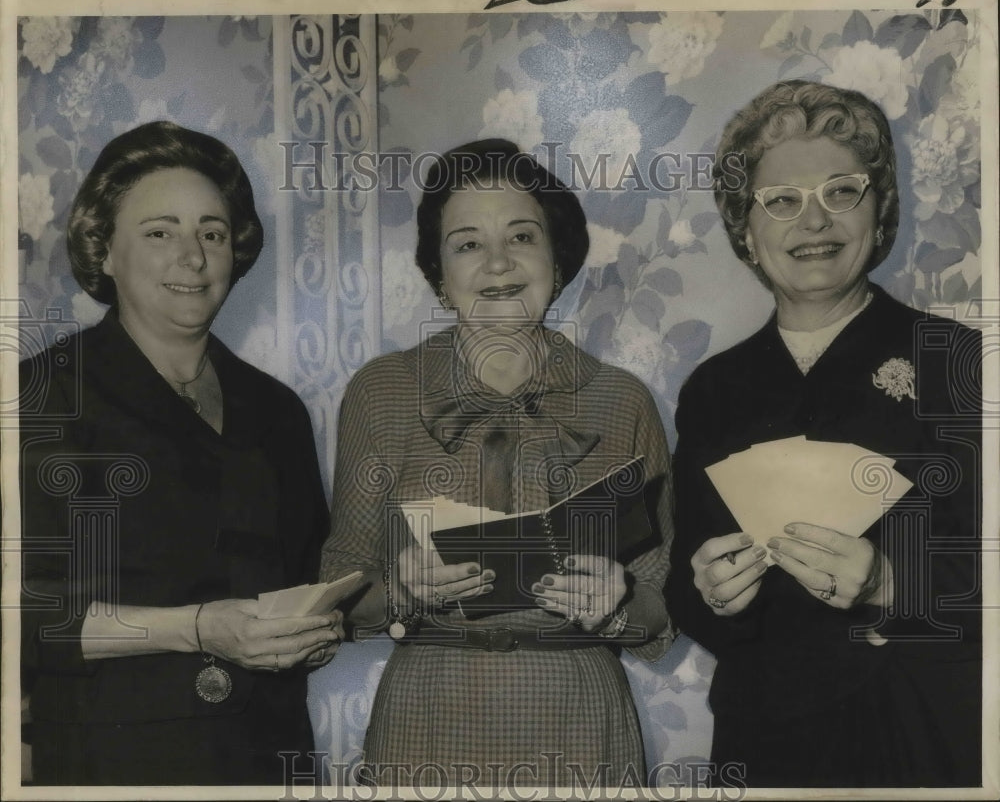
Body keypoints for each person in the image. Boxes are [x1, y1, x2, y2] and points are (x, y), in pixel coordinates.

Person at [320, 139, 675, 788]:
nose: (499, 263)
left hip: (579, 725)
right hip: (426, 722)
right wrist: (400, 590)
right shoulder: (382, 393)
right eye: (467, 244)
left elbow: (660, 605)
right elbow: (339, 594)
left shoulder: (622, 401)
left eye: (522, 236)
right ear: (439, 273)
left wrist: (618, 603)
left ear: (557, 258)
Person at [665, 81, 982, 787]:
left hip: (925, 731)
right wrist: (713, 595)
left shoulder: (958, 361)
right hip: (767, 738)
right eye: (782, 200)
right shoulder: (713, 391)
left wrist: (892, 581)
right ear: (746, 229)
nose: (815, 221)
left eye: (842, 191)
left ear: (880, 208)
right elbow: (684, 590)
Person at [20, 122, 339, 785]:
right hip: (112, 761)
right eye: (160, 232)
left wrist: (315, 629)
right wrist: (196, 628)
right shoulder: (45, 396)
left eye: (212, 234)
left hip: (267, 757)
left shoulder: (277, 410)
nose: (192, 257)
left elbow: (309, 578)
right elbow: (25, 615)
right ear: (105, 252)